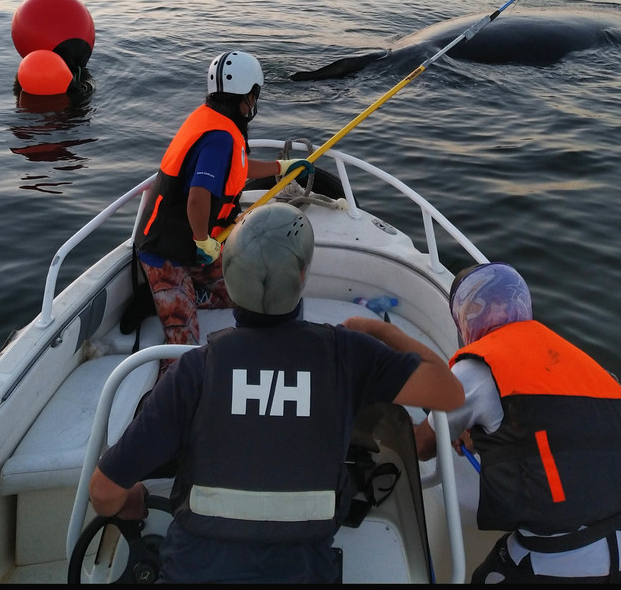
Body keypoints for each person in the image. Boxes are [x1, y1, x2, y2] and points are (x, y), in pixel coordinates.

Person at [90, 202, 464, 583]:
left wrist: (133, 499)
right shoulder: (348, 355)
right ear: (301, 277)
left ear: (230, 280)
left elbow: (103, 492)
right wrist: (383, 333)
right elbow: (449, 393)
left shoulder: (193, 372)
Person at [414, 263, 621, 583]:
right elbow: (570, 437)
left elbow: (423, 446)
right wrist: (481, 439)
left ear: (465, 316)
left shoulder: (478, 368)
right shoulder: (591, 368)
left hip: (566, 560)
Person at [133, 51, 311, 360]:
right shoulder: (219, 137)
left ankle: (188, 292)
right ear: (250, 95)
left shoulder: (215, 121)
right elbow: (199, 195)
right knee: (184, 343)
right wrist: (204, 241)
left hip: (197, 243)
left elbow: (238, 167)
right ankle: (170, 381)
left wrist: (281, 167)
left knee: (244, 295)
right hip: (165, 252)